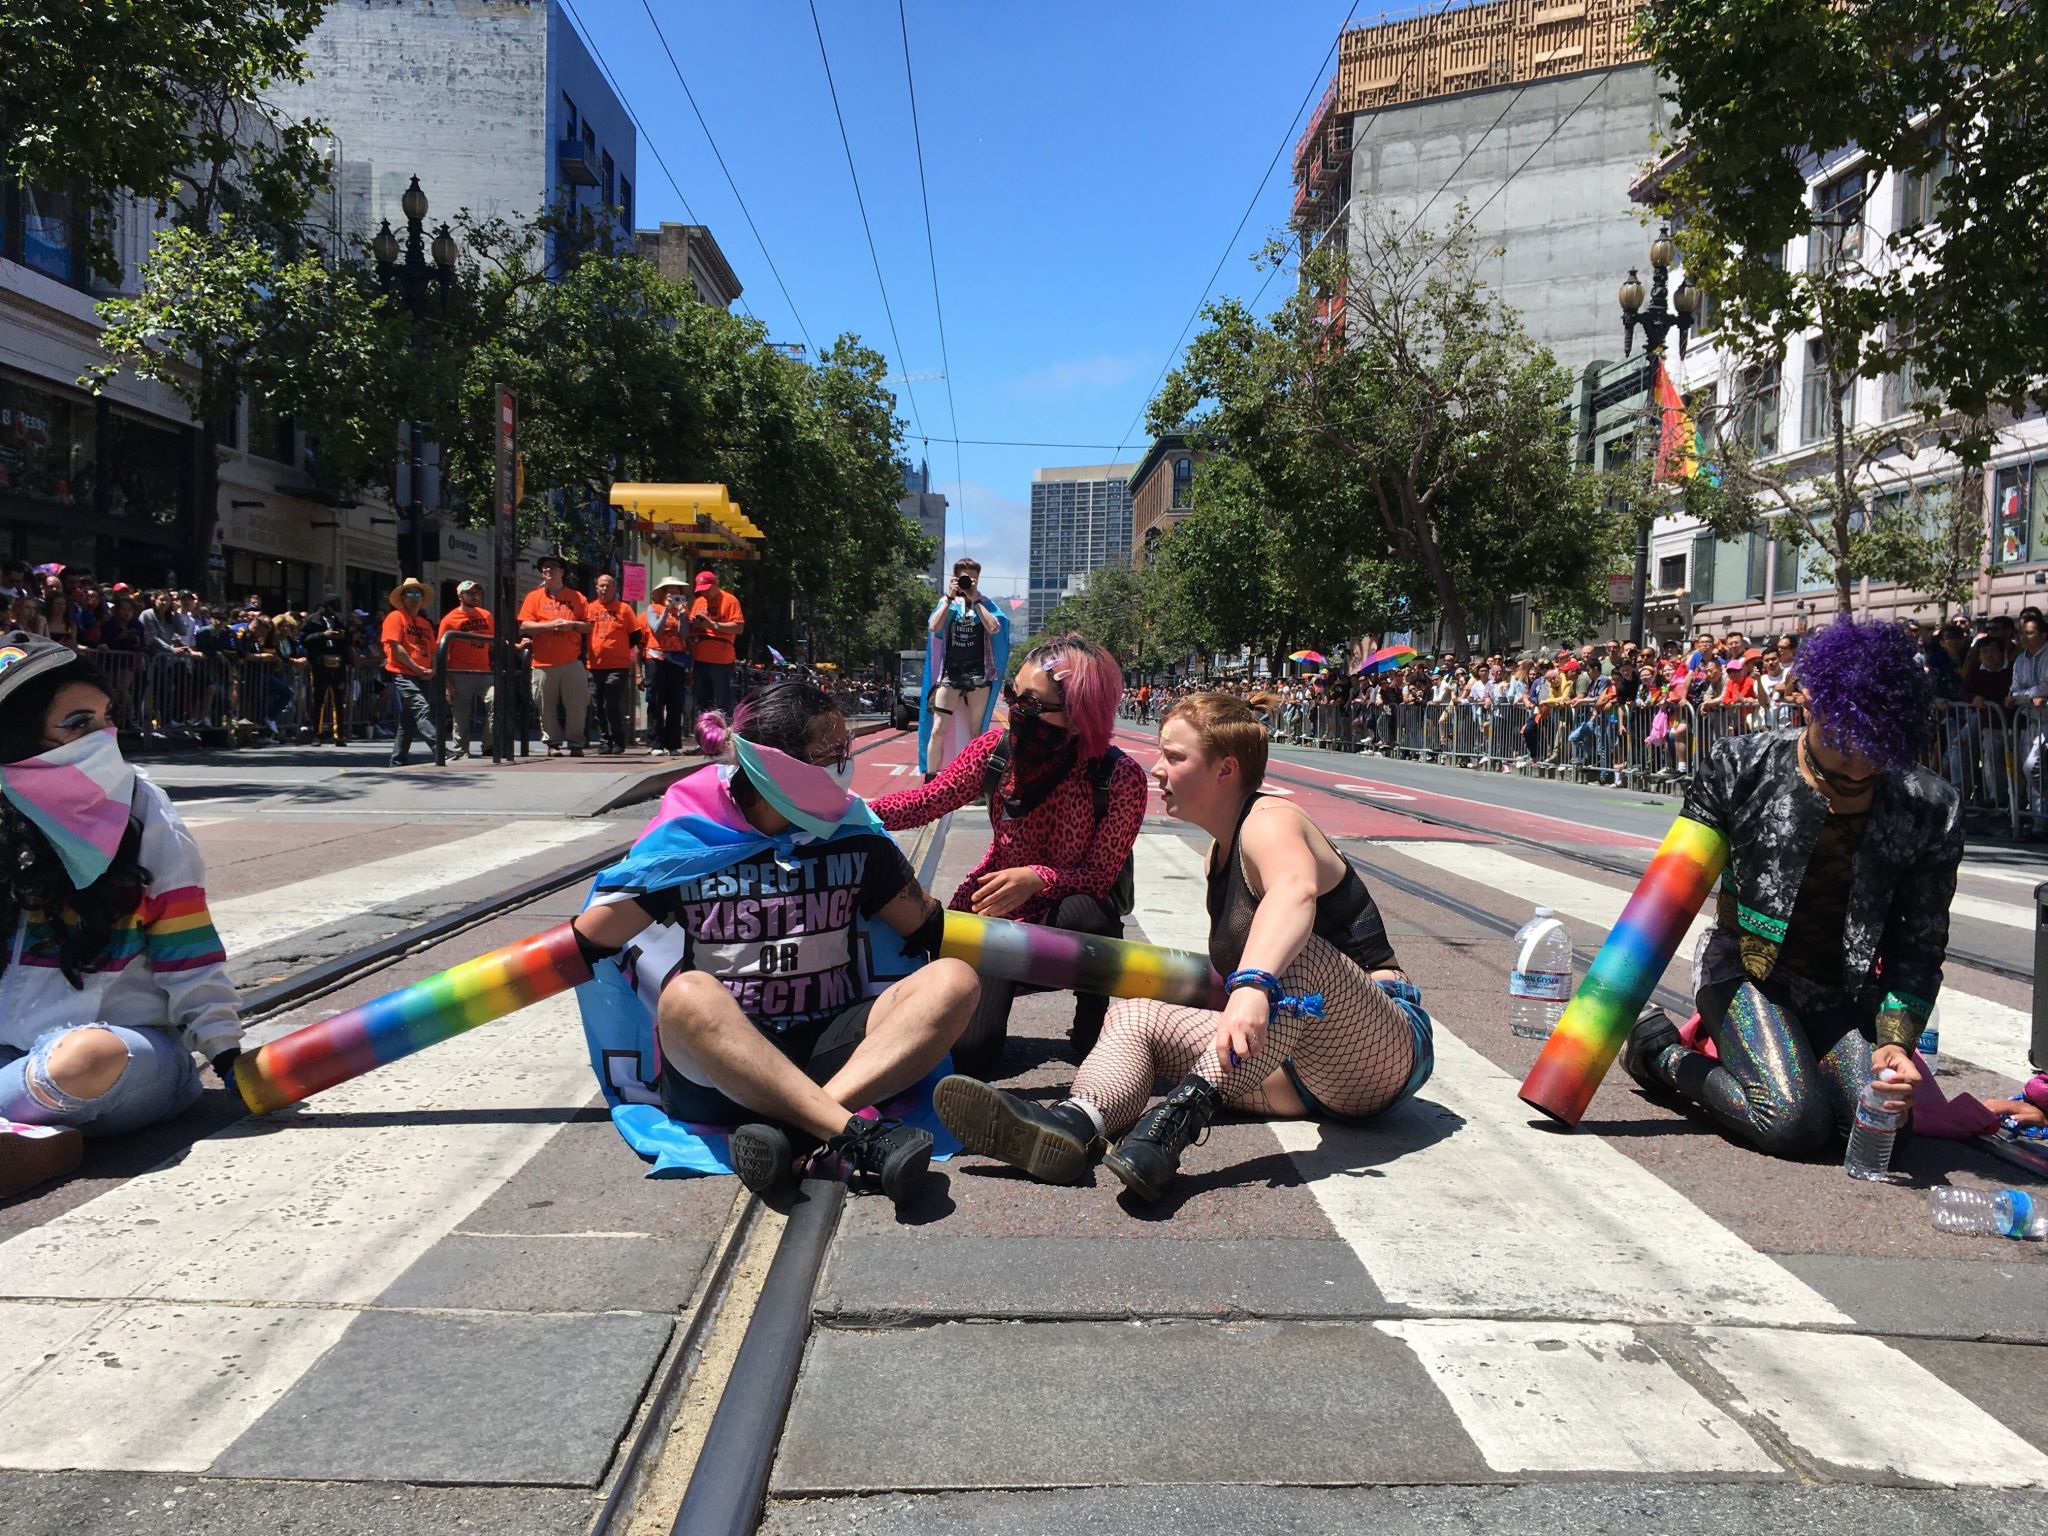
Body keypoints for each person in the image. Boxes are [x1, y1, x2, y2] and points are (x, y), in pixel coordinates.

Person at [933, 691, 1435, 1203]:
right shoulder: (1217, 855)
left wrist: (1254, 985)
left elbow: (1294, 893)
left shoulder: (1272, 820)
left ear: (1225, 770)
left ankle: (1172, 1124)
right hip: (1293, 1073)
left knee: (1296, 957)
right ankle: (1074, 1123)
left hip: (1379, 1054)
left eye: (1174, 756)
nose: (1156, 769)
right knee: (1134, 1017)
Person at [569, 681, 980, 1206]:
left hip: (835, 1053)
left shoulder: (854, 836)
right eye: (830, 754)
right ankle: (856, 1134)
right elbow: (589, 942)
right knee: (688, 994)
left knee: (954, 979)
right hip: (723, 1069)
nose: (843, 765)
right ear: (777, 765)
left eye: (845, 752)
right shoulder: (689, 841)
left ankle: (802, 1131)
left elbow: (926, 928)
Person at [1621, 621, 1960, 1159]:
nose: (1856, 763)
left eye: (1872, 745)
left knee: (1884, 1133)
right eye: (1841, 739)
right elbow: (1664, 904)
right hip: (1743, 970)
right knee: (1792, 1123)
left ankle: (1794, 1062)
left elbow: (1919, 943)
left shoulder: (1930, 806)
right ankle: (1660, 1054)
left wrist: (1895, 1042)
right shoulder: (1739, 764)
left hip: (1838, 990)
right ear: (1809, 703)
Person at [0, 634, 241, 1197]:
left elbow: (189, 950)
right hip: (10, 1048)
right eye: (77, 723)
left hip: (127, 1054)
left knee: (84, 1057)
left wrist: (226, 1053)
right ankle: (32, 1135)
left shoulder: (143, 809)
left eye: (105, 719)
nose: (103, 739)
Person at [872, 634, 1145, 1069]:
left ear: (1080, 715)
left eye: (1033, 704)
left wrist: (1039, 877)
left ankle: (1092, 1022)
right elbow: (927, 801)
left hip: (1063, 914)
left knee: (1093, 912)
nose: (1016, 710)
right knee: (972, 1056)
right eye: (1014, 694)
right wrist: (848, 813)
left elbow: (1099, 875)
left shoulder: (1118, 777)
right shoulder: (995, 752)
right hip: (994, 914)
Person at [919, 558, 1005, 776]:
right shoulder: (947, 603)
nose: (970, 582)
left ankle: (974, 780)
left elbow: (995, 627)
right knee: (938, 728)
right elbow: (933, 626)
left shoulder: (984, 604)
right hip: (950, 674)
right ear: (956, 579)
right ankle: (931, 779)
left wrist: (975, 600)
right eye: (965, 578)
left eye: (973, 579)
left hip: (978, 675)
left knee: (976, 732)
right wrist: (949, 598)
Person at [518, 554, 591, 757]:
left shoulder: (578, 597)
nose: (548, 570)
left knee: (577, 705)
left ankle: (576, 743)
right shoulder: (534, 597)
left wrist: (571, 625)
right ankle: (553, 744)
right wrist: (550, 625)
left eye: (553, 566)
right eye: (545, 567)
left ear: (562, 571)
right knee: (545, 707)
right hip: (543, 662)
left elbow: (588, 626)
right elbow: (525, 625)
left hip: (571, 662)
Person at [380, 577, 439, 767]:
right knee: (422, 708)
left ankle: (397, 760)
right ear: (403, 598)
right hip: (403, 671)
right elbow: (395, 647)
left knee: (409, 719)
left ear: (422, 599)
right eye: (410, 593)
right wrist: (415, 667)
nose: (414, 598)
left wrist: (433, 669)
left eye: (418, 594)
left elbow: (433, 650)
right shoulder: (395, 617)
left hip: (423, 673)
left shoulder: (425, 623)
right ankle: (440, 750)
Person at [586, 572, 645, 756]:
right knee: (598, 706)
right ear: (596, 588)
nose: (604, 589)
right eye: (601, 585)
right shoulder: (589, 608)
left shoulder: (624, 609)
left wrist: (617, 647)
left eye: (608, 585)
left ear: (615, 588)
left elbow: (635, 635)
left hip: (617, 666)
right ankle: (605, 741)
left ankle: (618, 739)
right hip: (594, 665)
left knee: (610, 703)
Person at [438, 580, 495, 760]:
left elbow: (495, 640)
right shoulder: (449, 619)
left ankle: (490, 745)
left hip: (484, 672)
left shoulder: (486, 615)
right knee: (461, 713)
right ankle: (461, 751)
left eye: (477, 592)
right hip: (459, 673)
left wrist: (515, 646)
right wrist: (446, 684)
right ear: (460, 596)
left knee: (497, 700)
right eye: (470, 593)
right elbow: (441, 652)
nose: (475, 596)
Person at [688, 567, 745, 737]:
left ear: (716, 584)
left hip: (721, 659)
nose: (704, 594)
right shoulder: (699, 602)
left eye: (707, 590)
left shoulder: (729, 600)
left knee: (722, 701)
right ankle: (705, 738)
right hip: (700, 656)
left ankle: (724, 738)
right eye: (701, 591)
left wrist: (713, 625)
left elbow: (739, 627)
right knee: (702, 702)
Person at [642, 576, 692, 756]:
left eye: (677, 594)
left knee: (674, 703)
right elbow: (656, 628)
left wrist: (682, 616)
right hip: (656, 658)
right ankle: (655, 742)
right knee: (656, 701)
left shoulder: (681, 612)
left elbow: (684, 634)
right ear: (663, 595)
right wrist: (666, 610)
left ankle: (673, 744)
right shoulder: (653, 609)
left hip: (676, 660)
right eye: (670, 593)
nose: (674, 596)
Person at [300, 596, 354, 744]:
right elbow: (303, 639)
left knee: (339, 699)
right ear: (324, 607)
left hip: (338, 664)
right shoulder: (311, 620)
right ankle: (317, 734)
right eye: (331, 610)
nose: (334, 613)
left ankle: (339, 735)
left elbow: (349, 641)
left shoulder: (340, 621)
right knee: (318, 699)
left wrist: (343, 636)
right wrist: (323, 635)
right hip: (319, 664)